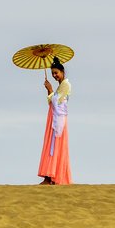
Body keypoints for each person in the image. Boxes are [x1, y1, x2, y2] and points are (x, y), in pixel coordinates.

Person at [38, 57, 73, 185]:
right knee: (51, 145)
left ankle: (51, 176)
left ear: (62, 71)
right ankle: (50, 176)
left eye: (56, 73)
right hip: (54, 118)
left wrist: (51, 90)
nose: (54, 75)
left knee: (55, 145)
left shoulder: (65, 85)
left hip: (59, 121)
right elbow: (52, 102)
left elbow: (57, 103)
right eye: (52, 73)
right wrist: (50, 91)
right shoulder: (61, 86)